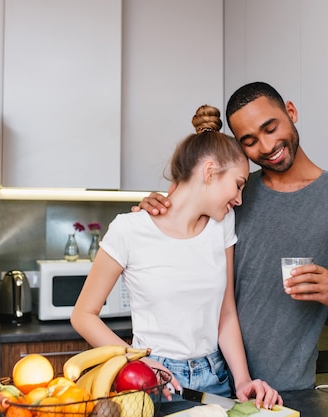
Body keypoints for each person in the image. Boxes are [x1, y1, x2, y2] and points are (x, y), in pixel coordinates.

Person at [134, 82, 328, 391]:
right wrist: (154, 210)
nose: (265, 146)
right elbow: (176, 232)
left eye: (270, 128)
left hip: (286, 389)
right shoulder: (231, 193)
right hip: (213, 380)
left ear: (291, 112)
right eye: (249, 141)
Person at [71, 105, 281, 408]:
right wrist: (136, 363)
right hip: (153, 381)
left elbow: (226, 314)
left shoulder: (222, 224)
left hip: (215, 380)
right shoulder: (129, 229)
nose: (239, 199)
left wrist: (243, 380)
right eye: (237, 185)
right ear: (209, 171)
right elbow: (83, 315)